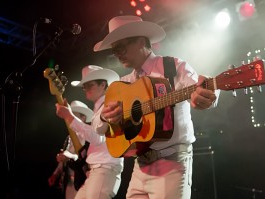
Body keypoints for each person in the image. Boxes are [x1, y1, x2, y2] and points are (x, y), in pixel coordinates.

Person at [94, 15, 220, 199]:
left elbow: (202, 87)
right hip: (140, 166)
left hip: (172, 164)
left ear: (140, 40)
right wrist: (105, 116)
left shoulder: (172, 66)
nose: (118, 54)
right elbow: (96, 123)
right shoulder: (124, 83)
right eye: (115, 51)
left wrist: (210, 95)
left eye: (121, 47)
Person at [55, 65, 124, 199]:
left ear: (103, 84)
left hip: (105, 168)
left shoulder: (109, 105)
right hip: (96, 170)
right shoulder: (99, 107)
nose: (85, 89)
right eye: (84, 86)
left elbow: (97, 137)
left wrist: (69, 116)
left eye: (89, 85)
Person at [48, 100, 94, 199]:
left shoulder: (88, 138)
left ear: (83, 117)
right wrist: (55, 174)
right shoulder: (68, 137)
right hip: (68, 183)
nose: (70, 119)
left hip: (83, 182)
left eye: (74, 116)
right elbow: (63, 160)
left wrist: (68, 156)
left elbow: (83, 158)